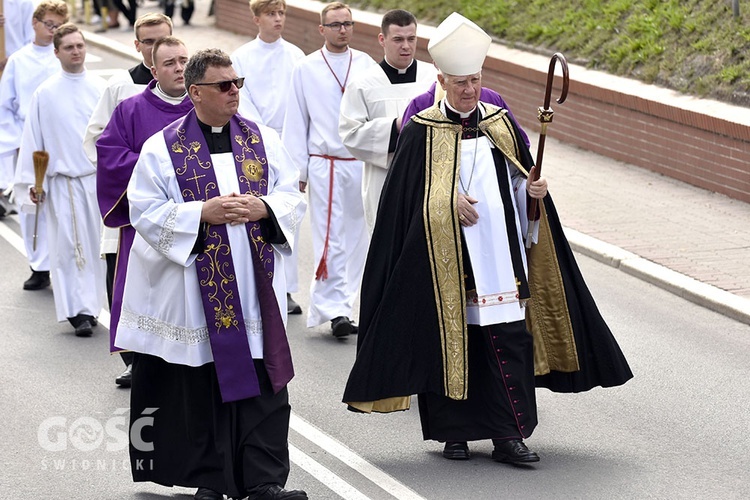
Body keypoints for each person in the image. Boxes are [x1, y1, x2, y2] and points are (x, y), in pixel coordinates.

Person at [343, 13, 633, 465]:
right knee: (453, 343)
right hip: (447, 263)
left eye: (475, 80)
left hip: (500, 256)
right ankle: (453, 434)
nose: (469, 90)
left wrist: (533, 192)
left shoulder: (499, 122)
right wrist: (444, 204)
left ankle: (509, 436)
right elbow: (402, 203)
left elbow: (520, 181)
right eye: (460, 82)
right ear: (441, 80)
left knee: (509, 341)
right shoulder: (423, 129)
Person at [116, 48, 307, 500]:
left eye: (238, 83)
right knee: (202, 386)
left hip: (254, 288)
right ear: (196, 92)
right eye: (224, 86)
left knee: (263, 382)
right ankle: (210, 480)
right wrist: (202, 212)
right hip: (196, 295)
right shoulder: (163, 148)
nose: (235, 92)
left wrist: (266, 207)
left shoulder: (261, 139)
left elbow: (291, 194)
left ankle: (264, 480)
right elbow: (143, 210)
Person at [95, 36, 194, 387]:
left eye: (184, 60)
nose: (179, 67)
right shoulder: (131, 109)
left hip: (196, 222)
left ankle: (192, 358)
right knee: (146, 295)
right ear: (153, 69)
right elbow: (110, 156)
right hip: (146, 224)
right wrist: (162, 168)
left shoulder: (203, 107)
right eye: (170, 63)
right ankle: (140, 362)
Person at [83, 11, 173, 387]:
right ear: (137, 46)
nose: (154, 48)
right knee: (125, 279)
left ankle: (171, 353)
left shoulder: (190, 89)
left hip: (174, 207)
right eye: (147, 42)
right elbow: (98, 142)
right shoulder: (121, 87)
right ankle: (135, 359)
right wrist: (149, 168)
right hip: (129, 204)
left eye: (161, 40)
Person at [283, 2, 376, 337]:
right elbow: (296, 121)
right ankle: (334, 309)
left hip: (361, 164)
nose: (342, 30)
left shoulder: (366, 65)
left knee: (359, 238)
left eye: (347, 24)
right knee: (329, 239)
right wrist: (299, 172)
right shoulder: (306, 68)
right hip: (325, 165)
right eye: (335, 24)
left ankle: (349, 304)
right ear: (322, 29)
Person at [16, 23, 107, 337]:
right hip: (62, 184)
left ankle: (92, 306)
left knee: (95, 247)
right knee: (68, 248)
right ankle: (76, 311)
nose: (76, 51)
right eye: (69, 47)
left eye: (80, 45)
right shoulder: (46, 92)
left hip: (96, 181)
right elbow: (34, 140)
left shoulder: (100, 87)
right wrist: (33, 182)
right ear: (56, 52)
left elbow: (110, 137)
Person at [231, 0, 305, 315]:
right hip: (255, 143)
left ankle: (286, 288)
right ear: (256, 18)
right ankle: (260, 281)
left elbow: (301, 104)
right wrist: (260, 132)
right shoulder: (242, 57)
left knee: (287, 214)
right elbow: (239, 99)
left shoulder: (297, 57)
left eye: (281, 13)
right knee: (257, 212)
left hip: (288, 142)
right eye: (271, 14)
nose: (278, 19)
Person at [338, 9, 436, 232]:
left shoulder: (432, 77)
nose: (406, 46)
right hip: (384, 180)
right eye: (398, 39)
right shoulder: (363, 84)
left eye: (411, 39)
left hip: (428, 178)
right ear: (382, 40)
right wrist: (396, 127)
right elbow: (350, 134)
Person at [0, 0, 70, 290]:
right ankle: (38, 265)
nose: (53, 31)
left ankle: (61, 261)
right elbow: (6, 105)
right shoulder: (19, 60)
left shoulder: (63, 57)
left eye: (58, 26)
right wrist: (15, 142)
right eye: (49, 25)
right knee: (30, 202)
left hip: (60, 140)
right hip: (28, 141)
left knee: (63, 203)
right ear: (35, 23)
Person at [0, 0, 35, 216]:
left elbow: (28, 39)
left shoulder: (22, 2)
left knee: (11, 130)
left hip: (10, 71)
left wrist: (11, 60)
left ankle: (7, 187)